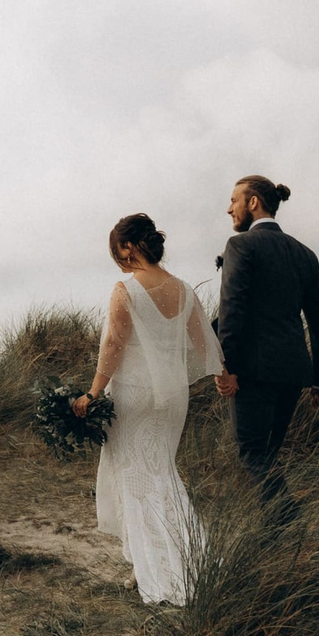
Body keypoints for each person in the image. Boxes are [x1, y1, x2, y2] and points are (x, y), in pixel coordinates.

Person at [72, 213, 219, 604]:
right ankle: (162, 564)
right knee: (161, 473)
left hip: (135, 397)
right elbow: (203, 345)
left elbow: (113, 346)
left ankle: (162, 571)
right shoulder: (185, 290)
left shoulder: (126, 290)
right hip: (173, 400)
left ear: (127, 247)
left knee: (137, 483)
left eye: (115, 249)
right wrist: (206, 374)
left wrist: (93, 393)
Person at [212, 175, 319, 517]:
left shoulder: (241, 247)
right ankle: (272, 540)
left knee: (252, 451)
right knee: (267, 453)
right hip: (294, 371)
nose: (229, 208)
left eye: (234, 200)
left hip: (252, 370)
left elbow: (232, 311)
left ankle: (289, 523)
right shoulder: (305, 254)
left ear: (253, 203)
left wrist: (227, 368)